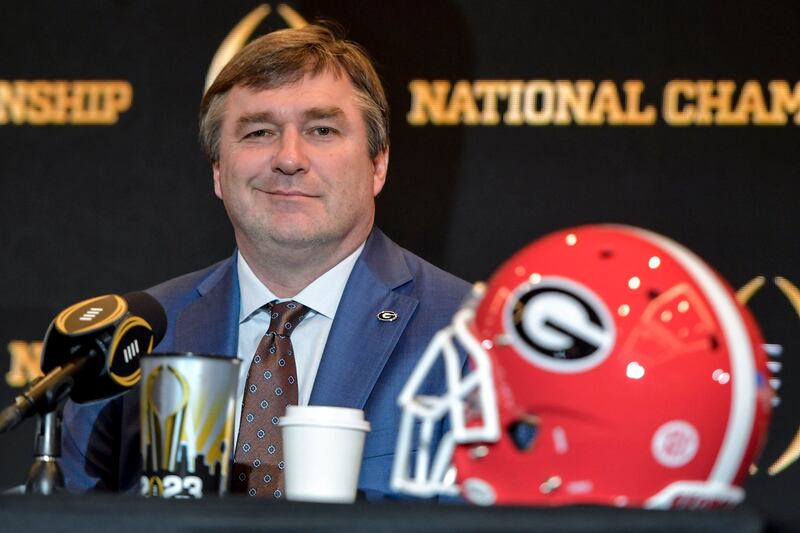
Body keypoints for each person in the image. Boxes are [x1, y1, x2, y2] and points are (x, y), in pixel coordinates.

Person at [60, 23, 470, 499]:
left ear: (378, 164)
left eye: (321, 129)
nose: (289, 158)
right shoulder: (138, 339)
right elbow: (63, 511)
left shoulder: (468, 332)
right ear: (218, 171)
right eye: (258, 132)